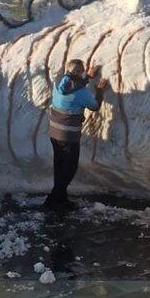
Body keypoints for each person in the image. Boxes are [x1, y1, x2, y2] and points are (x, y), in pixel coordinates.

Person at [44, 59, 107, 212]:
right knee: (70, 168)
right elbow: (95, 106)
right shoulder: (81, 93)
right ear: (79, 72)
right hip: (69, 136)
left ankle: (61, 198)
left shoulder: (59, 82)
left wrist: (87, 78)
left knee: (60, 166)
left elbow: (72, 85)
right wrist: (99, 90)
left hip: (54, 133)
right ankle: (53, 200)